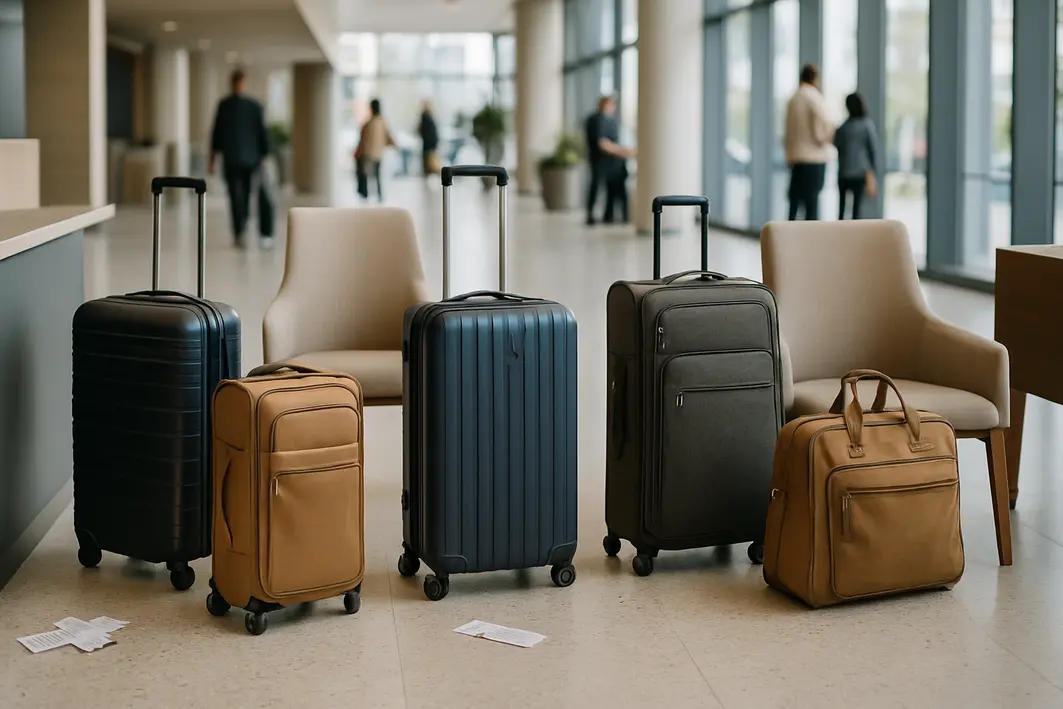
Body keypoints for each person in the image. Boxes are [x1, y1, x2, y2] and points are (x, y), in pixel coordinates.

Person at [209, 68, 274, 249]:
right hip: (233, 159)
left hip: (250, 160)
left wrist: (264, 156)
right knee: (236, 196)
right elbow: (217, 134)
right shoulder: (225, 106)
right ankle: (240, 230)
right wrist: (212, 159)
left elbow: (262, 134)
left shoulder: (253, 106)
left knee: (247, 195)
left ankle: (247, 229)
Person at [783, 64, 834, 220]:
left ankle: (788, 234)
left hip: (796, 158)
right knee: (811, 205)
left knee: (794, 203)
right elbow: (823, 129)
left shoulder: (792, 99)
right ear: (815, 79)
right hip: (813, 159)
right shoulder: (815, 98)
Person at [584, 96, 635, 225]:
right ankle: (590, 215)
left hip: (612, 162)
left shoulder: (612, 121)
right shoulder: (596, 120)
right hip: (599, 161)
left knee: (612, 188)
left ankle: (609, 215)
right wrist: (622, 151)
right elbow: (602, 143)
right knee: (596, 187)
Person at [833, 92, 880, 220]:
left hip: (843, 172)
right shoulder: (866, 125)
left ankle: (840, 231)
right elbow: (872, 150)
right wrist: (872, 173)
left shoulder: (843, 127)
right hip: (860, 172)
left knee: (841, 210)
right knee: (856, 210)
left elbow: (836, 145)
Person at [355, 98, 394, 202]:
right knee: (377, 176)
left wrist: (358, 152)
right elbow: (388, 137)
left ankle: (365, 196)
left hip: (368, 154)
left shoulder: (368, 123)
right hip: (378, 154)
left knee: (365, 175)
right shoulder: (383, 122)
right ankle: (379, 196)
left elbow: (362, 140)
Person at [418, 101, 441, 179]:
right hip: (430, 146)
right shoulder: (428, 118)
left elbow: (422, 132)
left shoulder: (426, 118)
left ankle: (428, 180)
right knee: (430, 165)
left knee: (429, 165)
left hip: (428, 146)